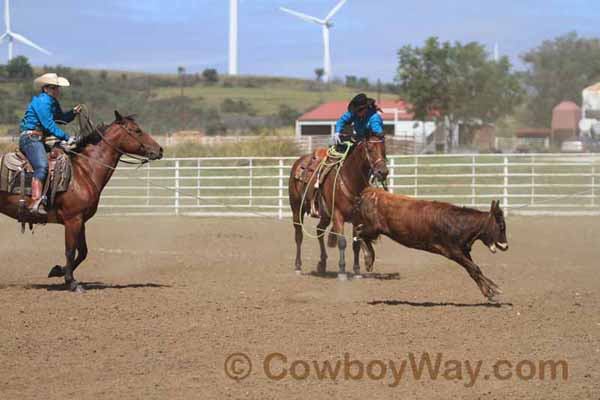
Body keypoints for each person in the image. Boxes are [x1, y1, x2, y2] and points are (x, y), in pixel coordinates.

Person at [19, 73, 82, 216]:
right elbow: (48, 124)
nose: (58, 90)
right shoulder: (42, 102)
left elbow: (61, 119)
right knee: (42, 166)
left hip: (38, 139)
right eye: (54, 88)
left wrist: (73, 113)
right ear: (46, 89)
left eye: (58, 88)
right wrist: (66, 137)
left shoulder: (52, 102)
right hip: (30, 138)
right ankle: (35, 201)